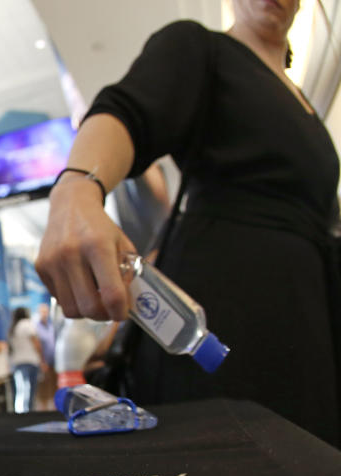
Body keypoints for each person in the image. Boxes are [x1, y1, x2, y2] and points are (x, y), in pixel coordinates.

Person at [35, 1, 340, 444]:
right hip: (229, 305)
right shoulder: (203, 48)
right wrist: (78, 188)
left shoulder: (306, 105)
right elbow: (127, 112)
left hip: (311, 318)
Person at [9, 308, 42, 413]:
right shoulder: (27, 324)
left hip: (17, 362)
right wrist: (42, 359)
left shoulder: (13, 328)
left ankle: (20, 412)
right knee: (29, 390)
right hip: (30, 361)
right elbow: (36, 343)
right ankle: (28, 413)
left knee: (20, 390)